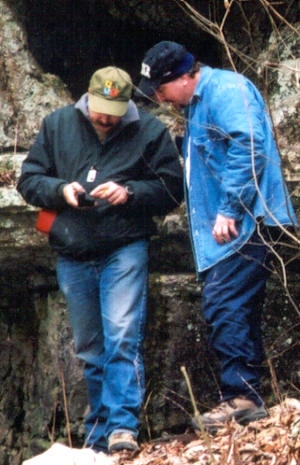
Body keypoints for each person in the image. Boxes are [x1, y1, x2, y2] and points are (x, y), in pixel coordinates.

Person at [17, 66, 183, 453]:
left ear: (128, 104)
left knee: (122, 335)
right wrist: (60, 190)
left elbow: (172, 189)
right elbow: (29, 180)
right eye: (99, 108)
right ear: (86, 97)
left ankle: (123, 426)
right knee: (90, 345)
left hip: (125, 247)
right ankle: (99, 427)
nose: (106, 118)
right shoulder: (57, 125)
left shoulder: (150, 131)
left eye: (114, 110)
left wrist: (130, 193)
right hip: (73, 249)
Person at [137, 41, 298, 433]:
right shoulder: (196, 107)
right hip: (230, 225)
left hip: (246, 221)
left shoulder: (227, 90)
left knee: (224, 302)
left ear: (182, 77)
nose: (159, 99)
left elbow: (250, 146)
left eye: (160, 90)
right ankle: (245, 395)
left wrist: (229, 208)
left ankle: (242, 396)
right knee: (233, 305)